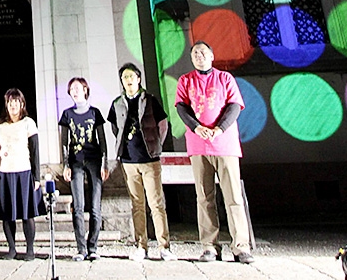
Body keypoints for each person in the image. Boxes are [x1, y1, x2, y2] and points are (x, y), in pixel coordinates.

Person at [175, 41, 252, 264]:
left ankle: (241, 246)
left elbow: (234, 105)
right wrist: (197, 127)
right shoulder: (185, 80)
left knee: (233, 196)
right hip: (198, 145)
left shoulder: (225, 78)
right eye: (195, 53)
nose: (199, 56)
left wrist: (219, 128)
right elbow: (182, 107)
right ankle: (209, 246)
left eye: (202, 52)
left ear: (212, 55)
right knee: (204, 197)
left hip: (224, 144)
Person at [107, 63, 174, 261]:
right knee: (137, 204)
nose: (128, 80)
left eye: (131, 76)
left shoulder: (150, 100)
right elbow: (115, 127)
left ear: (138, 78)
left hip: (150, 159)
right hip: (129, 160)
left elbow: (163, 125)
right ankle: (141, 246)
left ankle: (164, 246)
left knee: (156, 204)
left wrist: (155, 146)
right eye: (124, 77)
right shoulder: (117, 103)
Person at [59, 76, 108, 261]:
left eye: (78, 87)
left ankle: (93, 247)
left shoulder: (95, 113)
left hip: (94, 160)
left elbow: (102, 140)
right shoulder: (67, 114)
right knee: (78, 206)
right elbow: (64, 142)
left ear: (86, 90)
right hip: (76, 161)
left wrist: (105, 164)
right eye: (72, 88)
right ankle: (81, 248)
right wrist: (65, 165)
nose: (75, 91)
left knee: (95, 206)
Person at [0, 88, 44, 260]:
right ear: (6, 105)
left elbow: (35, 151)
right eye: (10, 102)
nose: (13, 105)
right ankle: (12, 248)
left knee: (27, 213)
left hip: (24, 171)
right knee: (8, 214)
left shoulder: (29, 123)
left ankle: (30, 249)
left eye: (16, 102)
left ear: (22, 104)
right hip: (5, 172)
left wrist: (37, 177)